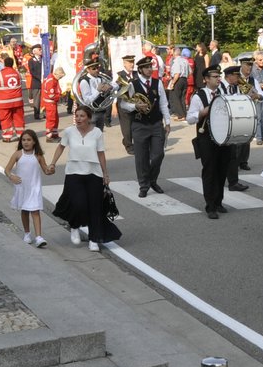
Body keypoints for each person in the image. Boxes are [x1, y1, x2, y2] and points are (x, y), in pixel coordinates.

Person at [48, 105, 120, 252]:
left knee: (95, 207)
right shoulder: (69, 131)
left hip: (93, 173)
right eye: (77, 115)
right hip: (74, 172)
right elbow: (61, 147)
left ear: (88, 117)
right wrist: (53, 163)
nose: (78, 118)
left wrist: (105, 174)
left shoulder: (97, 133)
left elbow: (101, 153)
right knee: (78, 203)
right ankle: (74, 226)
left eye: (82, 116)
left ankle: (94, 239)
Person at [120, 54, 171, 197]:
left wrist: (167, 122)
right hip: (139, 124)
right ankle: (144, 185)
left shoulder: (157, 83)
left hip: (156, 123)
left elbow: (163, 104)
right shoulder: (132, 84)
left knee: (158, 155)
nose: (150, 69)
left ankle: (152, 179)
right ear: (140, 70)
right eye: (146, 67)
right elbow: (124, 104)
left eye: (151, 67)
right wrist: (135, 106)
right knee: (141, 157)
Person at [187, 67, 230, 219]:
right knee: (210, 171)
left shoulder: (223, 94)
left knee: (222, 169)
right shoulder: (199, 96)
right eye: (215, 76)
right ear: (206, 79)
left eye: (219, 76)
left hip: (223, 138)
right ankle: (210, 205)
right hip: (206, 138)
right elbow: (190, 118)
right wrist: (202, 112)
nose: (219, 79)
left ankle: (219, 201)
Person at [7, 128, 53, 246]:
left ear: (34, 142)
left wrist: (51, 170)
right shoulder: (18, 154)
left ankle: (38, 237)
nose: (26, 142)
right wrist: (11, 176)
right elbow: (7, 169)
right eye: (23, 140)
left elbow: (46, 170)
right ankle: (27, 233)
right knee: (25, 211)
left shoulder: (38, 155)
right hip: (22, 188)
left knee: (35, 211)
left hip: (34, 188)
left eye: (29, 140)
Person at [218, 65, 251, 191]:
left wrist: (250, 93)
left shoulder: (236, 86)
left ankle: (233, 182)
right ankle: (224, 180)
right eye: (236, 76)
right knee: (224, 154)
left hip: (233, 124)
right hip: (222, 125)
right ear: (229, 76)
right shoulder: (220, 88)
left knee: (233, 154)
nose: (238, 78)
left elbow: (251, 93)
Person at [41, 63, 65, 141]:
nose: (60, 78)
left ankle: (54, 134)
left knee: (55, 118)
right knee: (51, 119)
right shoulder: (51, 81)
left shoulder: (53, 79)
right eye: (60, 77)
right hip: (50, 103)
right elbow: (51, 95)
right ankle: (49, 136)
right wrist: (59, 96)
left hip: (52, 102)